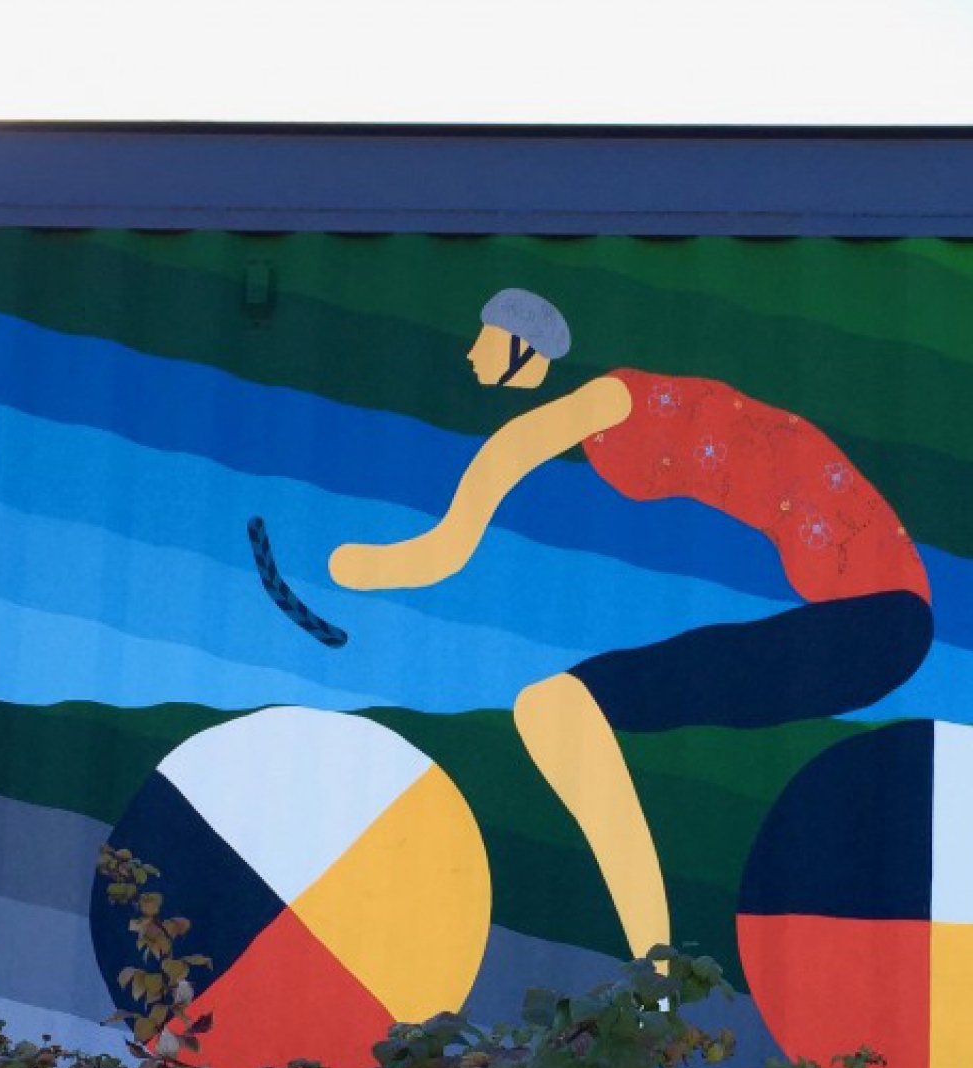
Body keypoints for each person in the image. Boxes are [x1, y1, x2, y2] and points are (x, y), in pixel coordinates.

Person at [330, 288, 933, 962]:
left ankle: (656, 965)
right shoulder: (633, 403)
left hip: (875, 621)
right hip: (880, 622)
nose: (471, 353)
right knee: (559, 707)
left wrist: (369, 563)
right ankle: (656, 964)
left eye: (486, 336)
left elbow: (489, 481)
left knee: (556, 708)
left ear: (525, 348)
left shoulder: (607, 399)